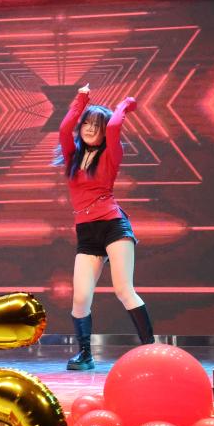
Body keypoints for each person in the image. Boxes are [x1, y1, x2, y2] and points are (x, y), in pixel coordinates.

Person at [56, 83, 153, 371]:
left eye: (96, 125)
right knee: (80, 298)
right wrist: (81, 99)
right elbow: (64, 129)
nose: (89, 128)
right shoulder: (73, 156)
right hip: (87, 232)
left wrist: (125, 105)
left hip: (113, 225)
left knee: (124, 289)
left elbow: (113, 127)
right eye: (86, 123)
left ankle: (150, 350)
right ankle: (85, 354)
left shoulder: (112, 153)